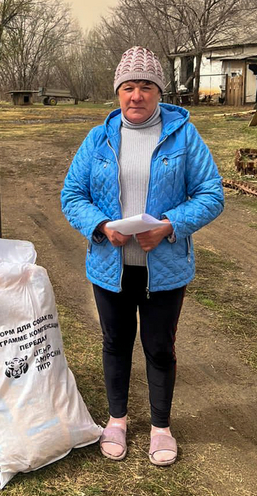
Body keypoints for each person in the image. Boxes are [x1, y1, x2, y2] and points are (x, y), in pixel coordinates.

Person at [60, 46, 224, 466]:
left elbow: (211, 195)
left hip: (164, 267)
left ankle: (160, 428)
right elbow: (72, 195)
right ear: (118, 92)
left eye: (146, 87)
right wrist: (101, 226)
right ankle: (116, 420)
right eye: (128, 87)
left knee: (159, 347)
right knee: (115, 343)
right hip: (110, 266)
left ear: (158, 92)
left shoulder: (184, 136)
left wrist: (170, 224)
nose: (137, 96)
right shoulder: (98, 139)